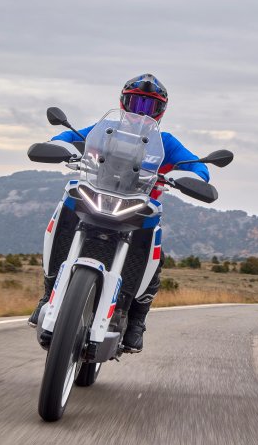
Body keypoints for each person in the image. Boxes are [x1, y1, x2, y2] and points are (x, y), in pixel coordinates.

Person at [28, 73, 209, 352]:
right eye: (136, 103)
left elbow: (197, 166)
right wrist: (60, 146)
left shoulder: (167, 143)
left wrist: (193, 176)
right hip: (95, 196)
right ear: (124, 102)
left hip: (138, 208)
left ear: (160, 111)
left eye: (149, 106)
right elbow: (68, 137)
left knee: (154, 252)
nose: (141, 112)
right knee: (66, 210)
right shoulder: (105, 129)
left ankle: (136, 319)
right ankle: (49, 292)